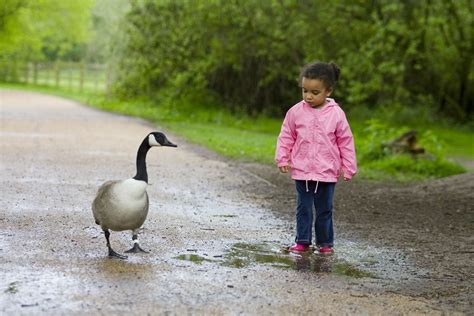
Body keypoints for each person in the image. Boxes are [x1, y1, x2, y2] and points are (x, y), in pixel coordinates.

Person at [275, 61, 357, 254]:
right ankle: (302, 241)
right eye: (305, 91)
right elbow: (286, 135)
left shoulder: (336, 114)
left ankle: (325, 243)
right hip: (302, 170)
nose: (308, 96)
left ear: (327, 91)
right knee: (303, 208)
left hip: (326, 171)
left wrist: (349, 166)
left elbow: (345, 140)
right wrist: (283, 158)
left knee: (324, 210)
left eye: (314, 92)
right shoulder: (296, 112)